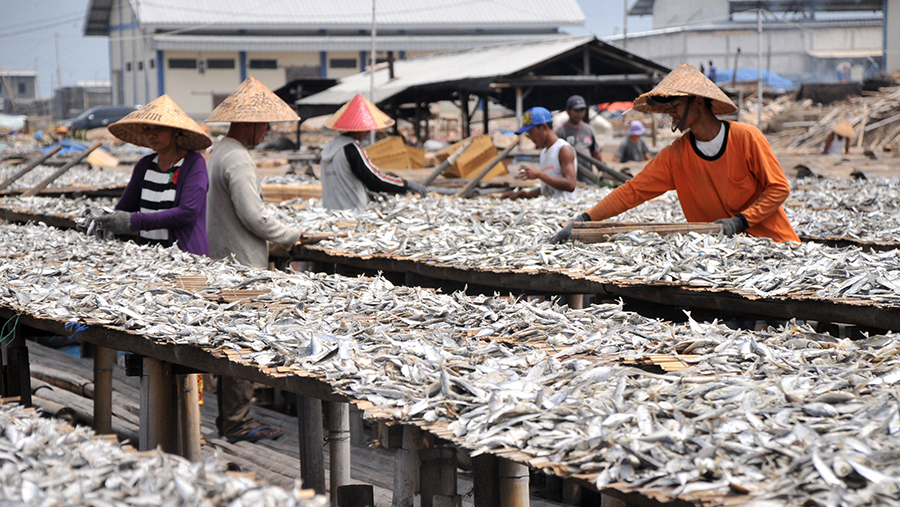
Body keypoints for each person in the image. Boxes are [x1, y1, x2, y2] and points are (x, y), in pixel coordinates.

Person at [549, 63, 799, 244]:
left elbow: (778, 188)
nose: (671, 114)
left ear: (698, 102)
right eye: (668, 108)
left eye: (676, 106)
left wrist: (740, 221)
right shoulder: (675, 156)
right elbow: (632, 191)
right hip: (724, 254)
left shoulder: (746, 137)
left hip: (774, 244)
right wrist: (585, 219)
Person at [204, 76, 308, 444]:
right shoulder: (238, 159)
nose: (267, 132)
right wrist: (293, 236)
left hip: (223, 259)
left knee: (232, 342)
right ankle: (238, 423)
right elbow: (254, 216)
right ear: (248, 123)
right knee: (242, 346)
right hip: (241, 266)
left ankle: (233, 419)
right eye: (264, 125)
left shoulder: (220, 150)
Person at [95, 94, 211, 255]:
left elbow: (187, 212)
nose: (151, 135)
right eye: (147, 129)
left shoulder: (193, 164)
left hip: (185, 256)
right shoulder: (145, 165)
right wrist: (104, 218)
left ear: (175, 131)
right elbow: (125, 207)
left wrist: (134, 221)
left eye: (159, 128)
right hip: (149, 256)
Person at [320, 93, 427, 210]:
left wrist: (366, 192)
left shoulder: (329, 148)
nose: (367, 133)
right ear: (357, 129)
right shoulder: (352, 149)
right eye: (365, 129)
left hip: (330, 211)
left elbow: (344, 179)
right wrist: (406, 185)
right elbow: (375, 180)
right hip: (352, 212)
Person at [502, 106, 577, 200]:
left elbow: (570, 184)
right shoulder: (544, 153)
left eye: (531, 133)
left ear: (543, 127)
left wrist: (539, 175)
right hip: (550, 207)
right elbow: (548, 189)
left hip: (565, 208)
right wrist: (521, 194)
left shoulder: (563, 149)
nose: (530, 138)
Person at [555, 95, 602, 183]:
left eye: (582, 110)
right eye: (576, 111)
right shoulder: (561, 131)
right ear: (568, 111)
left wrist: (602, 171)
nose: (579, 114)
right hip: (568, 179)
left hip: (588, 177)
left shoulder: (589, 129)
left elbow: (595, 153)